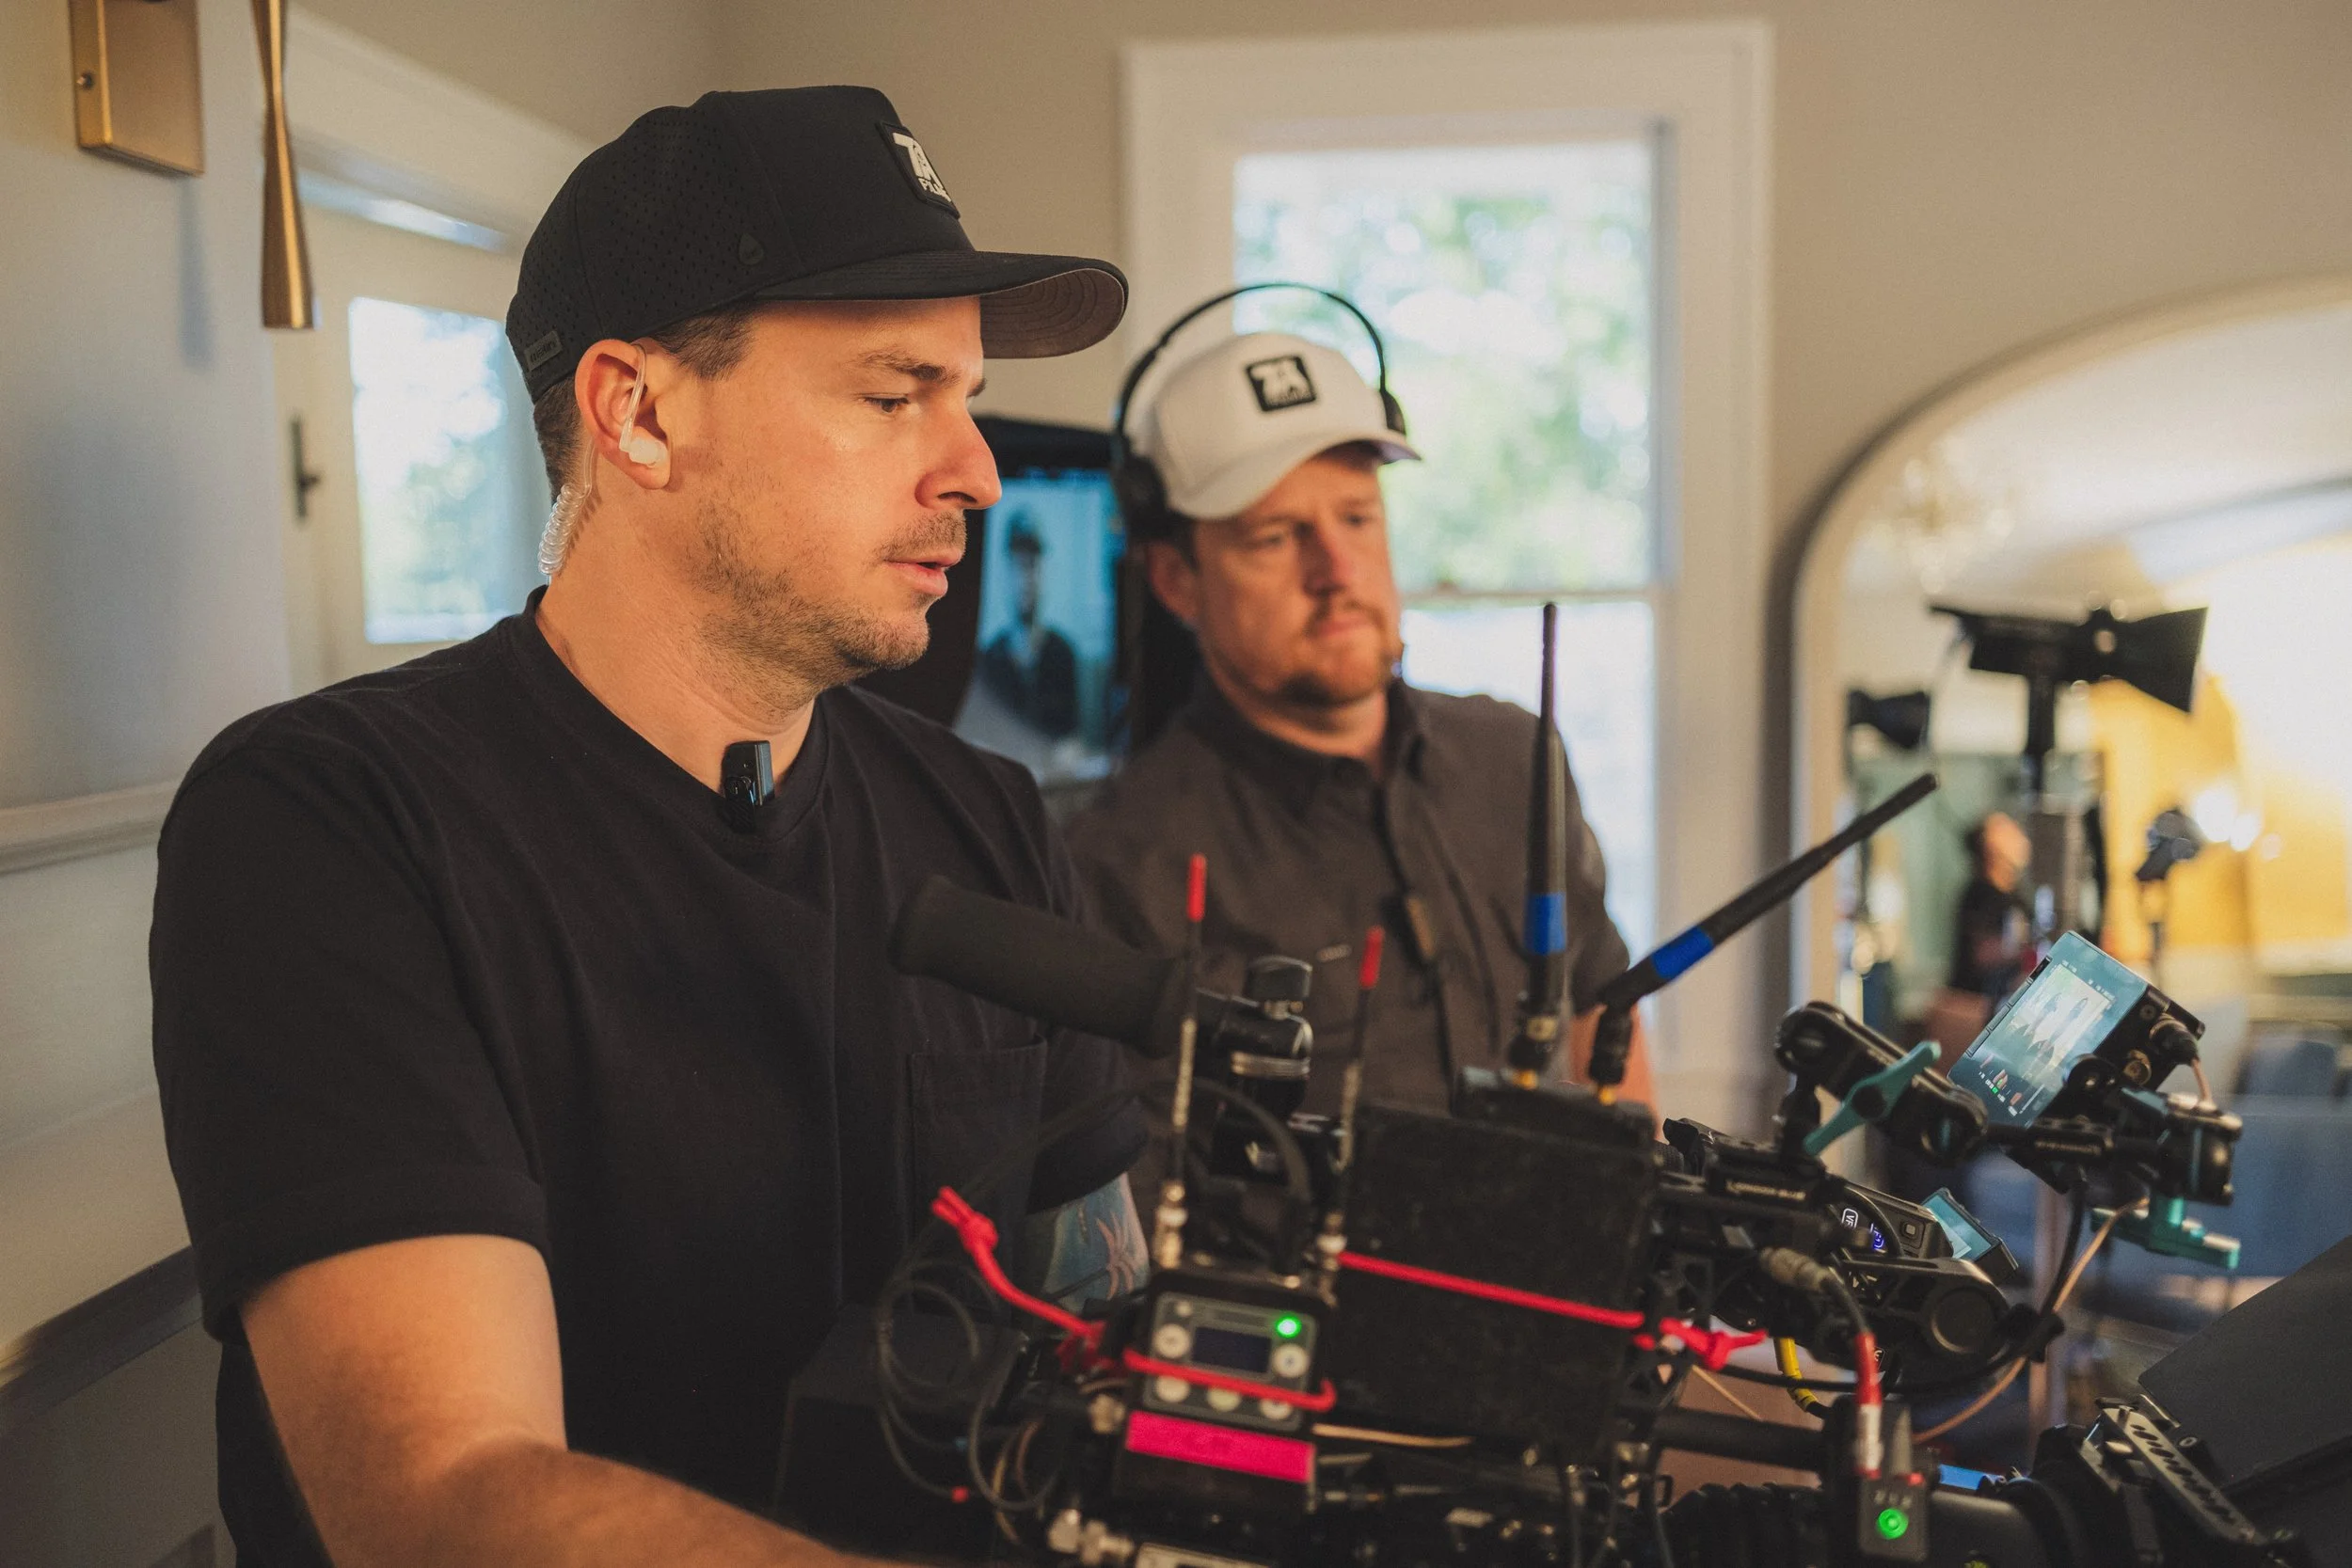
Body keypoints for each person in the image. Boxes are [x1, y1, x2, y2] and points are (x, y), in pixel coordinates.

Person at [151, 88, 1146, 1568]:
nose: (978, 472)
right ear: (641, 413)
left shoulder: (982, 817)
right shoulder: (331, 824)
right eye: (896, 395)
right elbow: (443, 1501)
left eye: (969, 397)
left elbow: (1110, 1341)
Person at [1066, 328, 1654, 1120]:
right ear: (1177, 581)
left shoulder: (1515, 756)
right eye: (1276, 537)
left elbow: (1602, 1011)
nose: (1337, 572)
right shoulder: (1121, 861)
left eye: (1356, 517)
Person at [977, 513, 1081, 736]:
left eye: (1032, 565)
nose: (1025, 578)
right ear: (1006, 572)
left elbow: (1072, 737)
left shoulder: (1063, 653)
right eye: (1018, 565)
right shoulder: (989, 660)